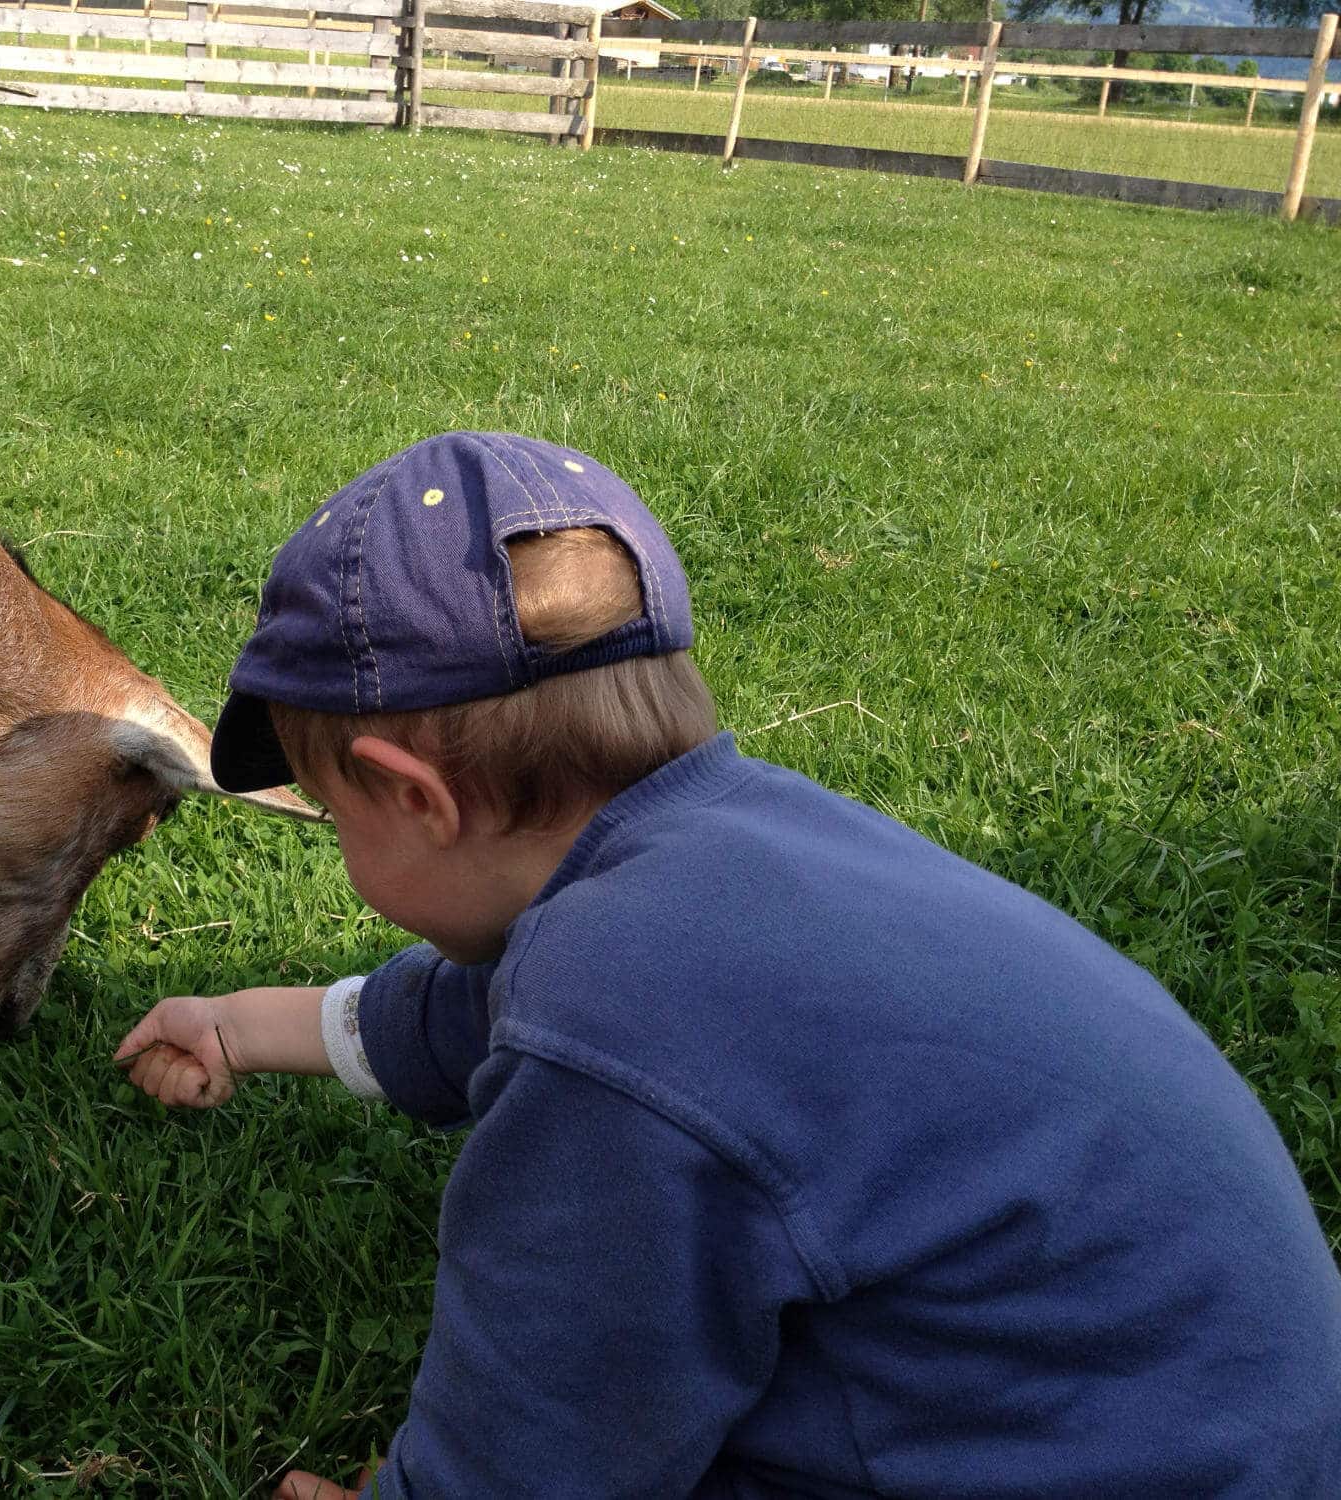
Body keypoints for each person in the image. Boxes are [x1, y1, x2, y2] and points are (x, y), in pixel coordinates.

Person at [115, 432, 1341, 1499]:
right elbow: (475, 1013)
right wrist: (237, 1024)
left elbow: (547, 1423)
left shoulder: (614, 1027)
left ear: (410, 795)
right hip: (1203, 1421)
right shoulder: (728, 863)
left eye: (336, 815)